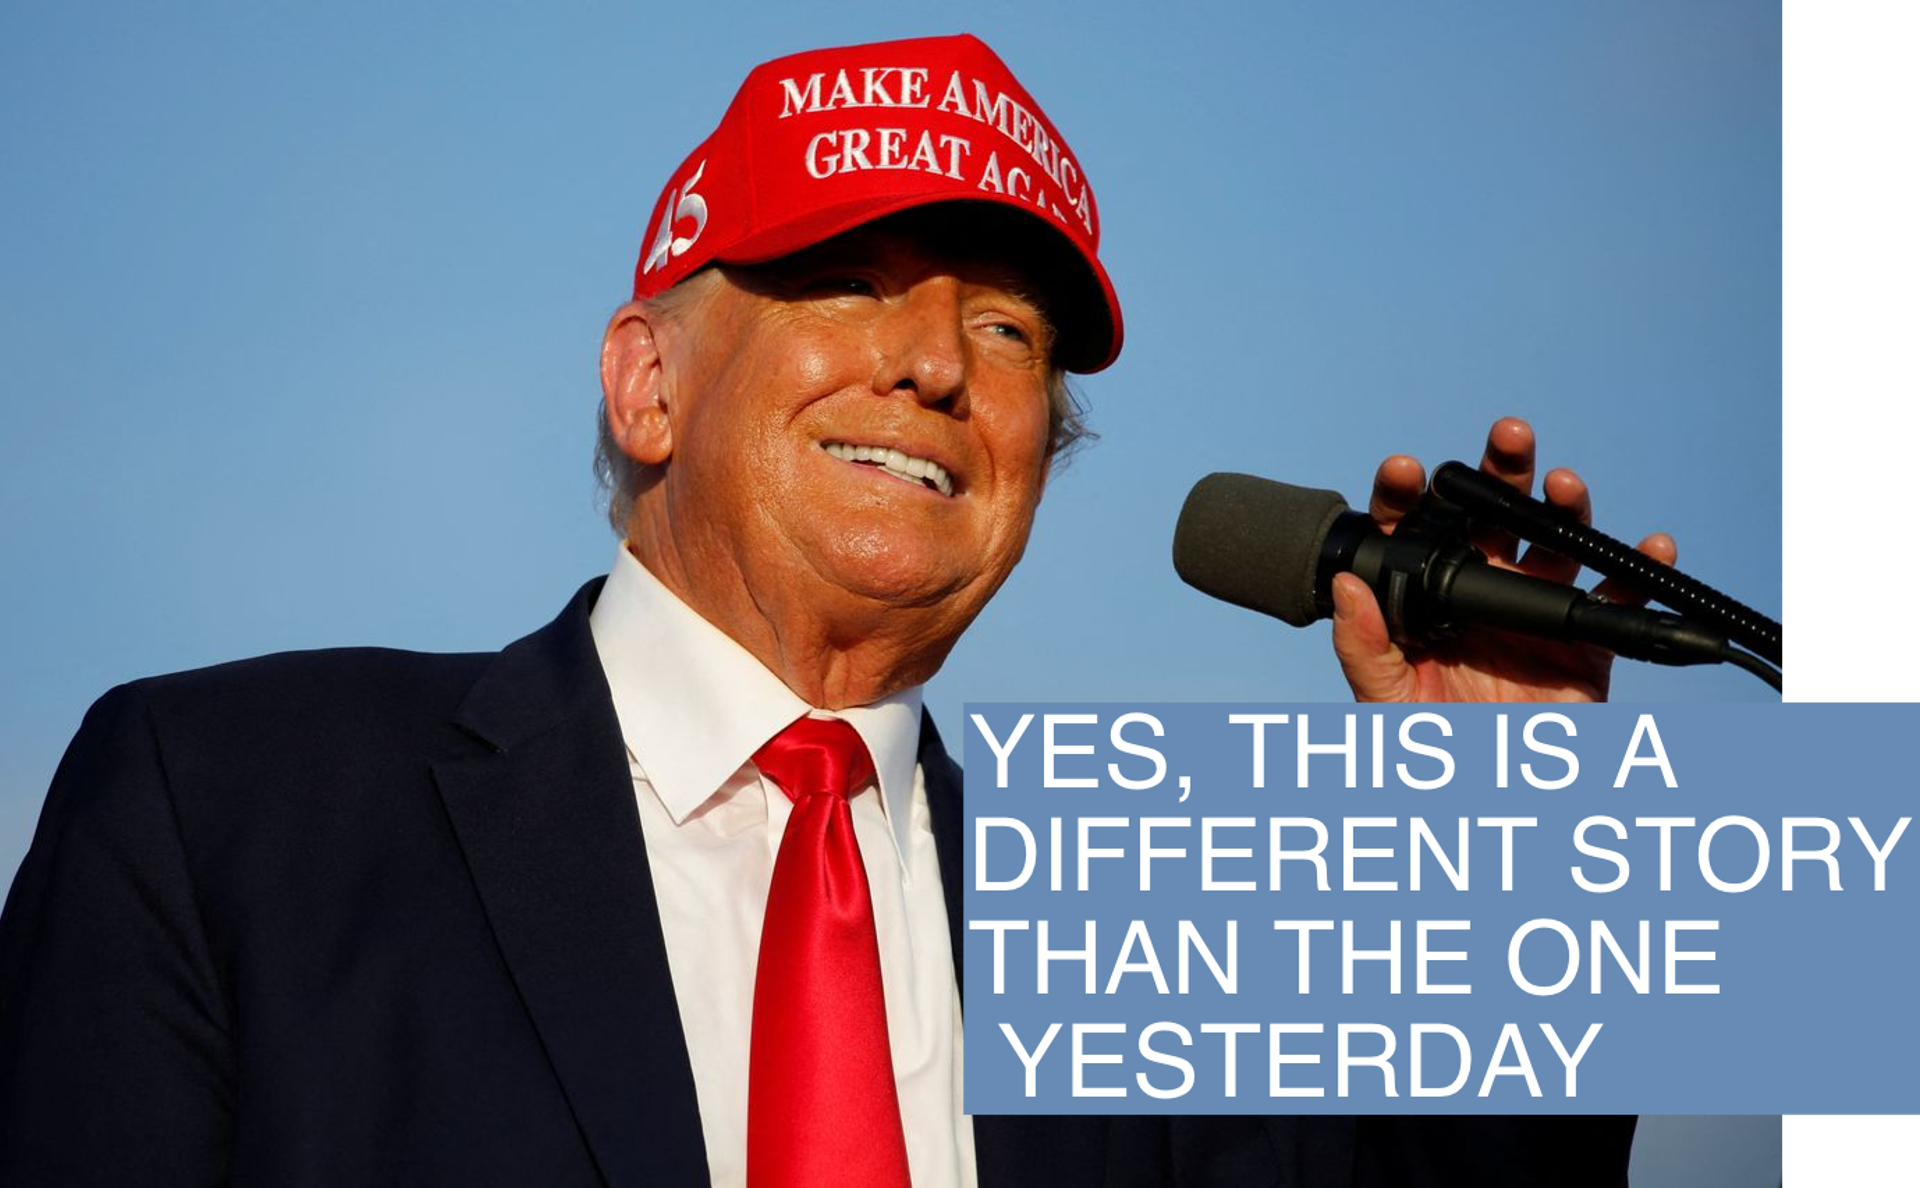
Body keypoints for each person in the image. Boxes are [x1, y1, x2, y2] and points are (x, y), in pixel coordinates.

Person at [0, 34, 1644, 1187]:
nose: (936, 362)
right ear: (647, 381)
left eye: (1009, 332)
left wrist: (1523, 842)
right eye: (852, 280)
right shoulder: (225, 802)